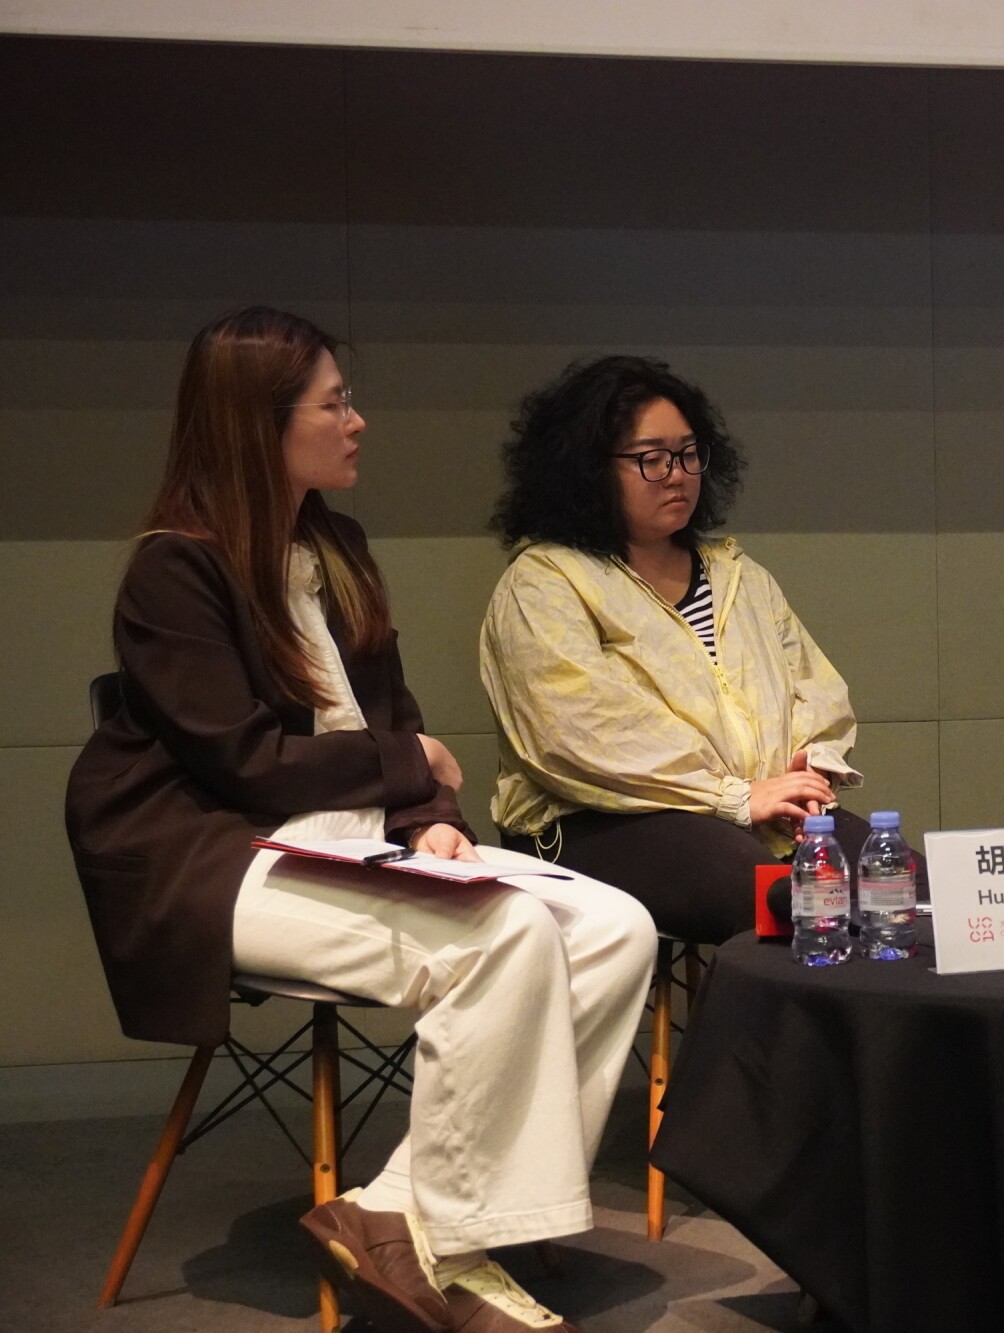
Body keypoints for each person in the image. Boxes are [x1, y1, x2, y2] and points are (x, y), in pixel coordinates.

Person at [65, 307, 657, 1333]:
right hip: (217, 861)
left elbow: (394, 715)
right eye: (334, 403)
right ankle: (447, 1248)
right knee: (506, 933)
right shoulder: (175, 570)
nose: (357, 421)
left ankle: (409, 1218)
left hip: (350, 842)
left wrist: (428, 813)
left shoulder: (334, 545)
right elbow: (245, 760)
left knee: (617, 926)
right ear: (260, 424)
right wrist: (409, 767)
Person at [480, 355, 887, 945]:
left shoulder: (738, 574)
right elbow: (577, 735)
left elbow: (816, 691)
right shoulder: (546, 582)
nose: (677, 475)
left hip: (760, 815)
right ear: (587, 468)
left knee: (903, 890)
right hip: (599, 823)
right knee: (789, 903)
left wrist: (809, 773)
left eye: (689, 453)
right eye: (652, 459)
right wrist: (735, 796)